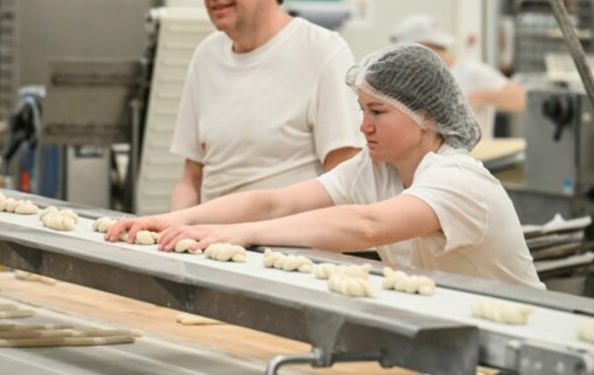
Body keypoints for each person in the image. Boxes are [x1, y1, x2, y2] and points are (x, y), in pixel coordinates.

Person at [108, 43, 544, 289]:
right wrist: (170, 220)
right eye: (362, 110)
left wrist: (235, 235)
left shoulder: (457, 179)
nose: (363, 126)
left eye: (378, 112)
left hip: (525, 337)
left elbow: (368, 226)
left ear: (426, 115)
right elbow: (275, 205)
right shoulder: (378, 169)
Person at [169, 0, 364, 210]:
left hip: (289, 247)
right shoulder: (206, 55)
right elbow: (191, 178)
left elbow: (345, 179)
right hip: (210, 242)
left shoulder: (323, 52)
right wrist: (176, 234)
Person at [390, 14, 526, 139]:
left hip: (473, 157)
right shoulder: (419, 77)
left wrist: (482, 95)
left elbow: (521, 99)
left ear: (424, 45)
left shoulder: (472, 71)